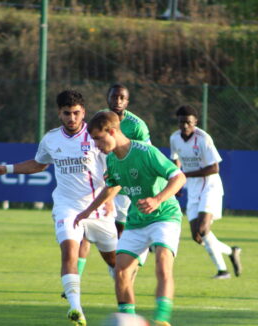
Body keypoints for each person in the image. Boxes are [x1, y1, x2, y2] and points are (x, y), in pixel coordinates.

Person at [0, 90, 118, 325]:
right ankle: (76, 310)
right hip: (67, 206)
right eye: (67, 113)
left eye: (76, 113)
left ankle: (125, 299)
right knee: (69, 251)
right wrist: (5, 169)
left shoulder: (95, 136)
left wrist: (108, 199)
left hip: (98, 208)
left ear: (83, 113)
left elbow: (113, 172)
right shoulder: (51, 139)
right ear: (59, 113)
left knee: (114, 260)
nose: (72, 118)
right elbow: (38, 164)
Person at [75, 111, 186, 326]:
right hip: (137, 221)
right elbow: (112, 187)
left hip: (165, 216)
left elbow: (178, 177)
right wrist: (87, 211)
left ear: (113, 131)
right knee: (121, 271)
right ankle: (130, 320)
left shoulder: (146, 152)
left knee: (163, 264)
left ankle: (162, 320)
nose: (96, 144)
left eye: (98, 138)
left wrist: (157, 199)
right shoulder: (113, 161)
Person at [78, 83, 151, 276]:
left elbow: (144, 154)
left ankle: (132, 262)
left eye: (122, 98)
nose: (117, 101)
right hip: (109, 180)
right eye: (114, 97)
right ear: (107, 98)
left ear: (127, 101)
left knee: (123, 229)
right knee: (91, 232)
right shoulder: (100, 118)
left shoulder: (137, 126)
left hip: (129, 181)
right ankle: (80, 278)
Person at [169, 105, 242, 279]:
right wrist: (177, 182)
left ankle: (222, 271)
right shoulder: (174, 138)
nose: (185, 126)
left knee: (203, 228)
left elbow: (214, 167)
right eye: (181, 122)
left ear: (195, 122)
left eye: (188, 122)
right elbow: (175, 160)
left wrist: (185, 174)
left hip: (210, 186)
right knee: (197, 236)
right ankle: (231, 251)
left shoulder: (203, 139)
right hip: (193, 187)